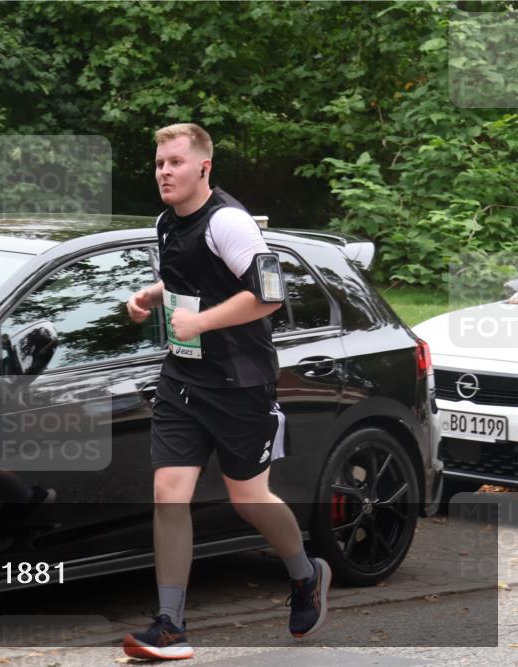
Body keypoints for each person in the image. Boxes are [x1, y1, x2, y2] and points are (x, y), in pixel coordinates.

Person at [121, 123, 331, 660]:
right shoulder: (168, 222)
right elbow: (198, 276)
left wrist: (203, 323)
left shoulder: (230, 223)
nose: (164, 171)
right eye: (159, 163)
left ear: (203, 168)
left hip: (241, 385)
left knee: (248, 498)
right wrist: (154, 292)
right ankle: (170, 625)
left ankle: (305, 574)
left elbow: (268, 296)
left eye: (175, 162)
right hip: (184, 379)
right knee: (169, 492)